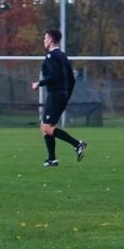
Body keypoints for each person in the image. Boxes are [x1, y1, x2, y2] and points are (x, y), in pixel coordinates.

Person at [31, 28, 87, 167]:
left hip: (55, 94)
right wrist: (67, 95)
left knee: (47, 128)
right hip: (61, 94)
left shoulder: (51, 56)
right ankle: (52, 159)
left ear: (50, 40)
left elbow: (54, 76)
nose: (44, 41)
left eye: (45, 38)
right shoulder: (63, 56)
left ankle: (77, 144)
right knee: (45, 127)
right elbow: (72, 80)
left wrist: (39, 83)